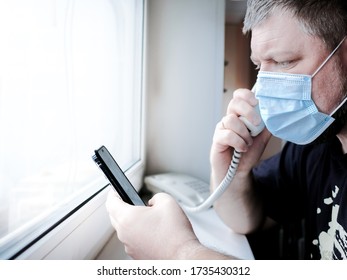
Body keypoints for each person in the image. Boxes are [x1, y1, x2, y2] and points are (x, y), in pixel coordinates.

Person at [106, 0, 347, 260]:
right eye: (259, 66)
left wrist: (178, 253)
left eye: (283, 61)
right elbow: (247, 219)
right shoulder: (317, 147)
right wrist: (236, 172)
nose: (262, 88)